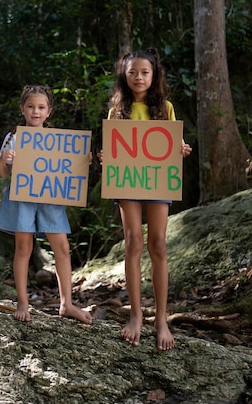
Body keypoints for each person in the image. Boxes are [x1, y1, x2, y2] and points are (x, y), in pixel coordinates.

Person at [101, 48, 191, 350]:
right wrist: (106, 156)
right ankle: (136, 316)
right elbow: (114, 150)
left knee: (159, 245)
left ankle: (162, 319)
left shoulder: (165, 107)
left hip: (158, 183)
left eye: (144, 72)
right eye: (132, 73)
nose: (138, 77)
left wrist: (181, 149)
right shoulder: (117, 112)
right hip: (128, 184)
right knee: (133, 243)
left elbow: (172, 146)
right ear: (124, 77)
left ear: (154, 76)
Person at [0, 84, 92, 325]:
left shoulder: (57, 141)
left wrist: (83, 161)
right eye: (30, 107)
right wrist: (4, 159)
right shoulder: (14, 138)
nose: (35, 112)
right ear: (22, 109)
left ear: (49, 111)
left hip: (50, 198)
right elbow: (3, 173)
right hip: (22, 199)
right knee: (23, 248)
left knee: (62, 247)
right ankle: (22, 302)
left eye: (41, 107)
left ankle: (66, 303)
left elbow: (70, 170)